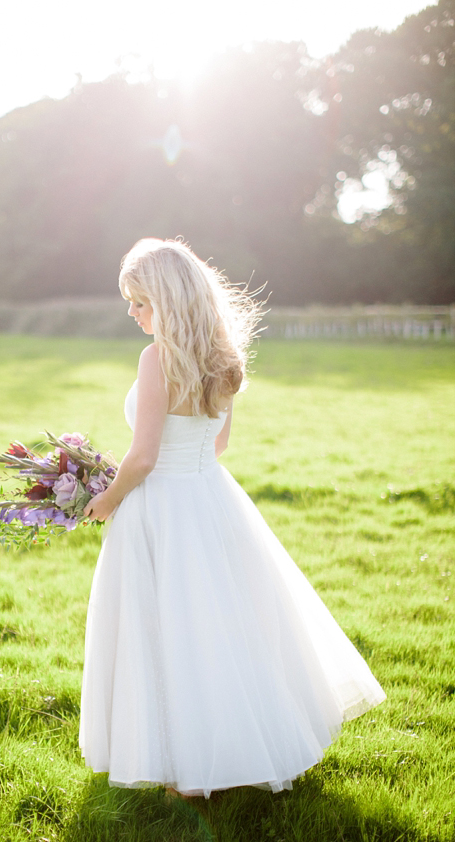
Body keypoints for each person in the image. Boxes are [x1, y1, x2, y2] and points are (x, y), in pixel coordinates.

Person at [81, 238, 385, 798]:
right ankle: (223, 751)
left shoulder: (157, 359)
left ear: (167, 300)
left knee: (168, 630)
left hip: (162, 507)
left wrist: (106, 498)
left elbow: (144, 455)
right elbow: (218, 444)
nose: (132, 312)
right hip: (211, 499)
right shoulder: (223, 357)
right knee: (216, 626)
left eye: (139, 300)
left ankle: (188, 771)